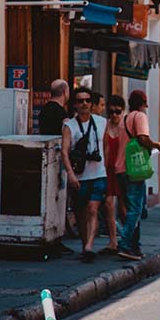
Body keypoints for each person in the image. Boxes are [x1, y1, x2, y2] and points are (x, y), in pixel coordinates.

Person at [119, 90, 160, 260]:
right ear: (143, 102)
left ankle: (134, 246)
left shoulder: (124, 118)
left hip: (121, 168)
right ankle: (124, 243)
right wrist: (158, 145)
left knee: (131, 208)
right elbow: (143, 139)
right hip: (134, 169)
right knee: (136, 210)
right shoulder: (140, 117)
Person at [60, 86, 106, 263]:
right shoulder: (69, 126)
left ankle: (89, 246)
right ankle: (84, 243)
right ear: (75, 105)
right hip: (79, 176)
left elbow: (107, 148)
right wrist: (70, 174)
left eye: (87, 100)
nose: (84, 104)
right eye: (80, 101)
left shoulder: (101, 122)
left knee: (93, 209)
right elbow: (64, 152)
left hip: (99, 174)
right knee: (81, 213)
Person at [100, 94, 128, 255]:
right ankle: (113, 241)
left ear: (122, 111)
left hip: (123, 171)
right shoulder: (105, 127)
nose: (114, 115)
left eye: (117, 112)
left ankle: (126, 237)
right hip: (109, 171)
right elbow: (105, 149)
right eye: (111, 112)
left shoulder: (126, 127)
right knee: (109, 205)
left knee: (123, 209)